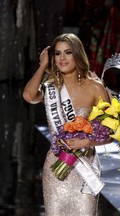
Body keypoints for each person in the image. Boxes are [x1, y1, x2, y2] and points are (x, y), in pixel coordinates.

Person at [22, 33, 110, 215]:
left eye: (68, 53)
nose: (62, 58)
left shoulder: (95, 87)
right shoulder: (50, 87)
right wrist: (43, 65)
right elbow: (29, 96)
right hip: (56, 166)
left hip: (85, 165)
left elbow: (110, 132)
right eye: (57, 54)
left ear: (77, 54)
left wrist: (85, 142)